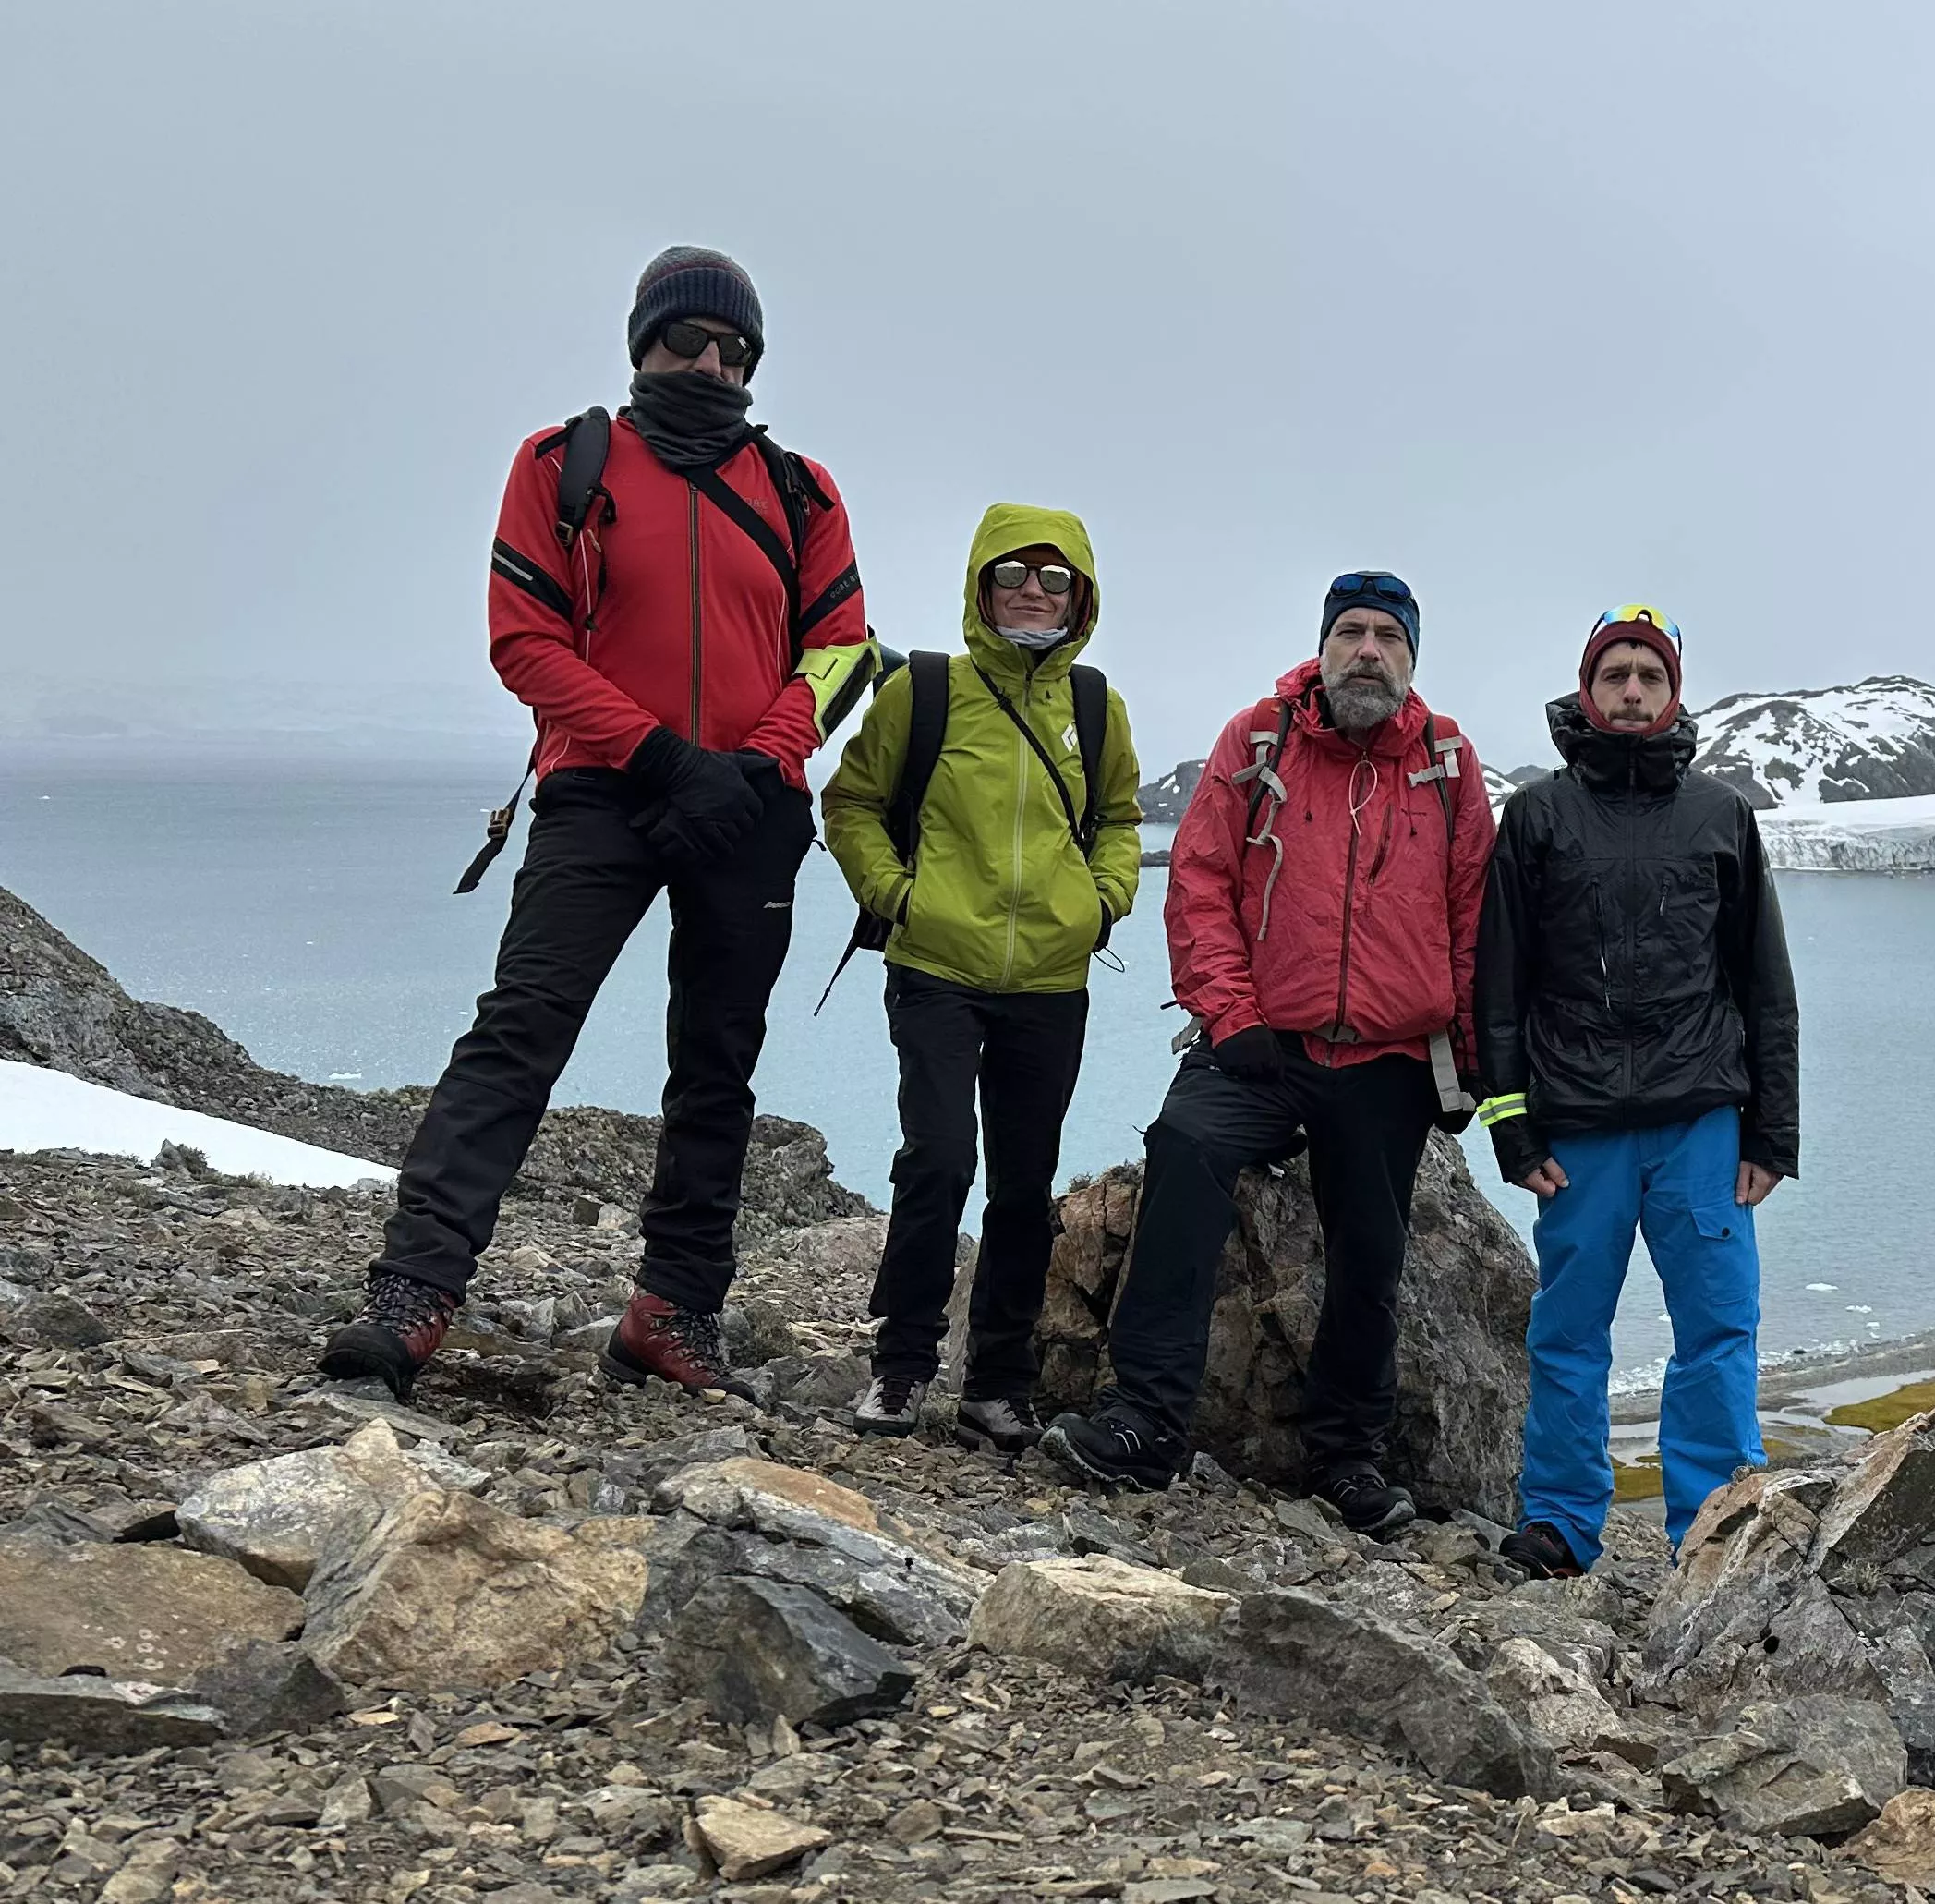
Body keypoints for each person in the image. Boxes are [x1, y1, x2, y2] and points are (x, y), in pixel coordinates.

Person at [321, 247, 873, 1400]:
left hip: (748, 805)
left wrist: (756, 761)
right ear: (643, 345)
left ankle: (674, 1312)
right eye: (691, 342)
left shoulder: (802, 491)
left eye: (736, 350)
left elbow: (841, 649)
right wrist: (666, 757)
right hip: (602, 792)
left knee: (716, 1061)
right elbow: (524, 642)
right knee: (522, 1027)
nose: (714, 365)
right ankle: (414, 1288)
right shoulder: (561, 465)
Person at [1039, 573, 1493, 1534]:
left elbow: (1472, 916)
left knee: (1369, 1250)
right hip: (1259, 1040)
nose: (1367, 651)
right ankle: (1143, 1425)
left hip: (1386, 1055)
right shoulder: (1257, 740)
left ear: (1411, 659)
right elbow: (1200, 879)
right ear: (1323, 647)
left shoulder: (1447, 762)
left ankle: (1348, 1460)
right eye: (1352, 634)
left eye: (1387, 638)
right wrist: (1228, 1012)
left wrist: (1466, 1054)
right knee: (1186, 1153)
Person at [1474, 605, 1799, 1579]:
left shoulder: (1719, 815)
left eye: (1646, 678)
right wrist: (1511, 1128)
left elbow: (1763, 984)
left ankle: (1709, 1528)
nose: (1628, 691)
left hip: (1700, 1119)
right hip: (1576, 1128)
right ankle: (1561, 1524)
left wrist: (1770, 1135)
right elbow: (1499, 986)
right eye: (1612, 675)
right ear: (1586, 690)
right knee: (1568, 1330)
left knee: (1717, 1329)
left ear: (1671, 695)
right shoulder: (1535, 817)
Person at [822, 505, 1139, 1450]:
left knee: (1022, 1181)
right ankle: (901, 1366)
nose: (1033, 592)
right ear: (979, 585)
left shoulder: (1095, 706)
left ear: (1081, 596)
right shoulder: (923, 691)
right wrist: (895, 894)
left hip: (1050, 976)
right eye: (1013, 574)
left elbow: (1119, 817)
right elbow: (851, 805)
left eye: (1054, 578)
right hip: (935, 965)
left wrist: (1103, 900)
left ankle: (996, 1384)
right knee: (938, 1159)